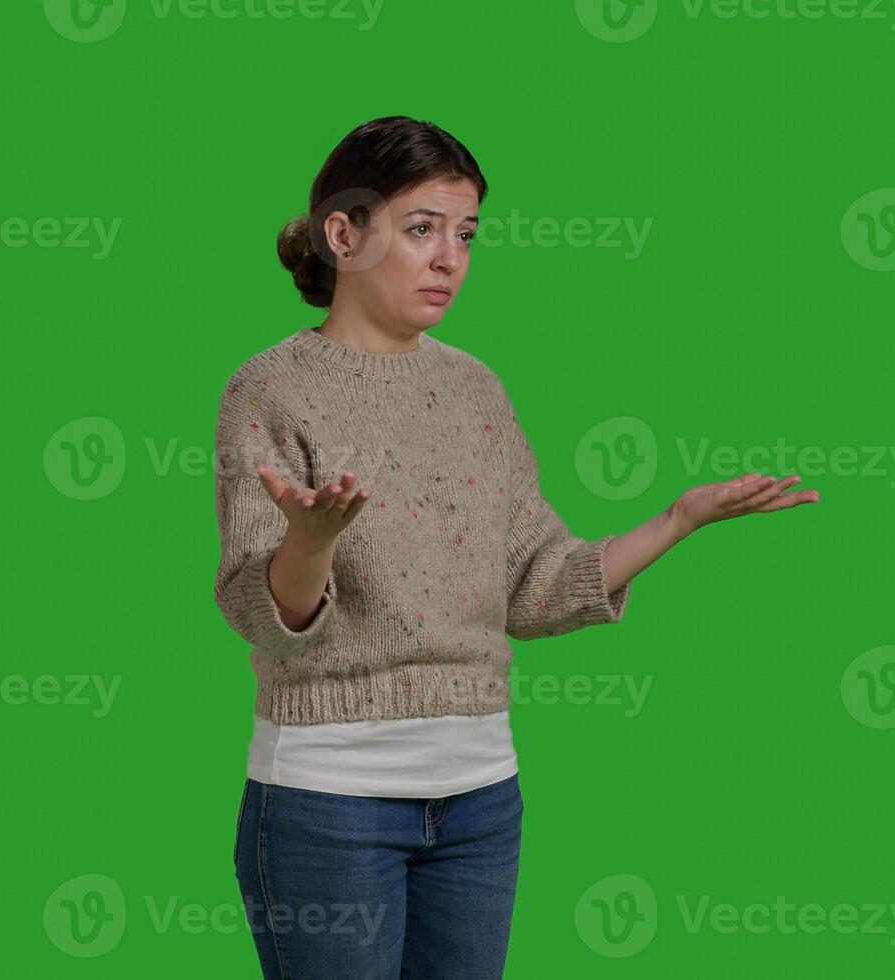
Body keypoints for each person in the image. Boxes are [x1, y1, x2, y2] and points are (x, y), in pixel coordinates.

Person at [214, 115, 818, 979]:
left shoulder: (475, 391)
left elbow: (533, 589)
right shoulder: (268, 389)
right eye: (421, 229)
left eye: (465, 234)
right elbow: (262, 616)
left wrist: (675, 523)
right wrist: (308, 544)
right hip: (329, 802)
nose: (449, 258)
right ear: (343, 236)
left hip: (481, 802)